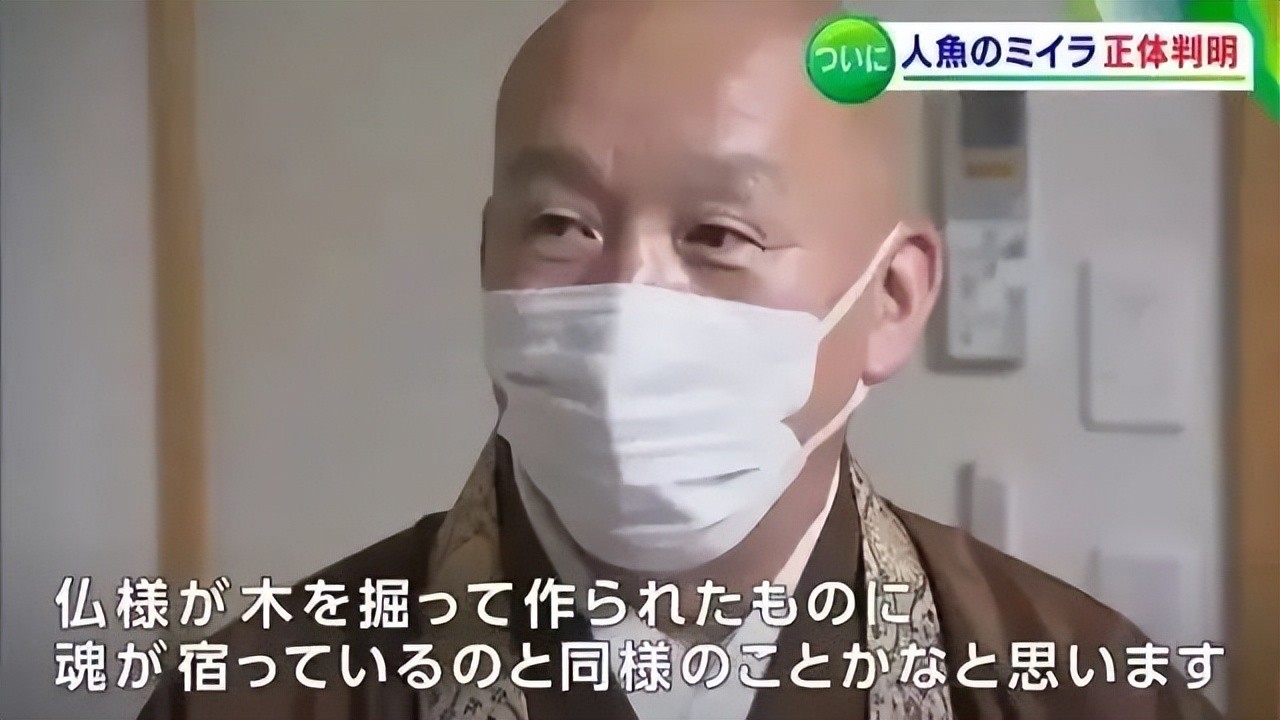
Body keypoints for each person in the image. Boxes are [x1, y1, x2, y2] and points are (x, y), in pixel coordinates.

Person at [138, 1, 1223, 718]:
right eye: (560, 225)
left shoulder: (1088, 690)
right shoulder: (255, 694)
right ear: (485, 256)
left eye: (719, 234)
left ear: (891, 301)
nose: (628, 299)